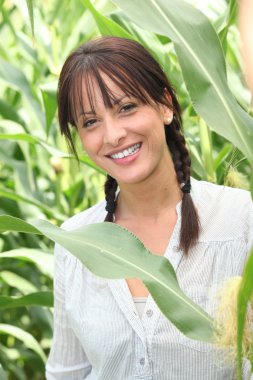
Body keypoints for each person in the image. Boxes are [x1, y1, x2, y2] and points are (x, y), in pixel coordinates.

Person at [45, 36, 253, 380]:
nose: (112, 135)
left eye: (126, 107)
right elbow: (66, 373)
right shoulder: (75, 242)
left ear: (165, 105)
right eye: (90, 122)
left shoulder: (240, 220)